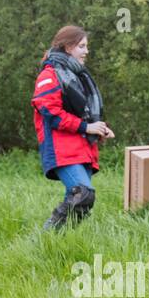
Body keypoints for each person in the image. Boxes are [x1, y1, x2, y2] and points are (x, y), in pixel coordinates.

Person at [32, 25, 114, 231]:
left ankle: (58, 244)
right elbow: (50, 113)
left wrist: (100, 128)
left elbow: (84, 112)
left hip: (81, 148)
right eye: (82, 46)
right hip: (61, 149)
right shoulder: (49, 75)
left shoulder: (77, 75)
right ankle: (43, 238)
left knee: (81, 202)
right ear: (68, 47)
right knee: (83, 194)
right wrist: (86, 127)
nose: (87, 51)